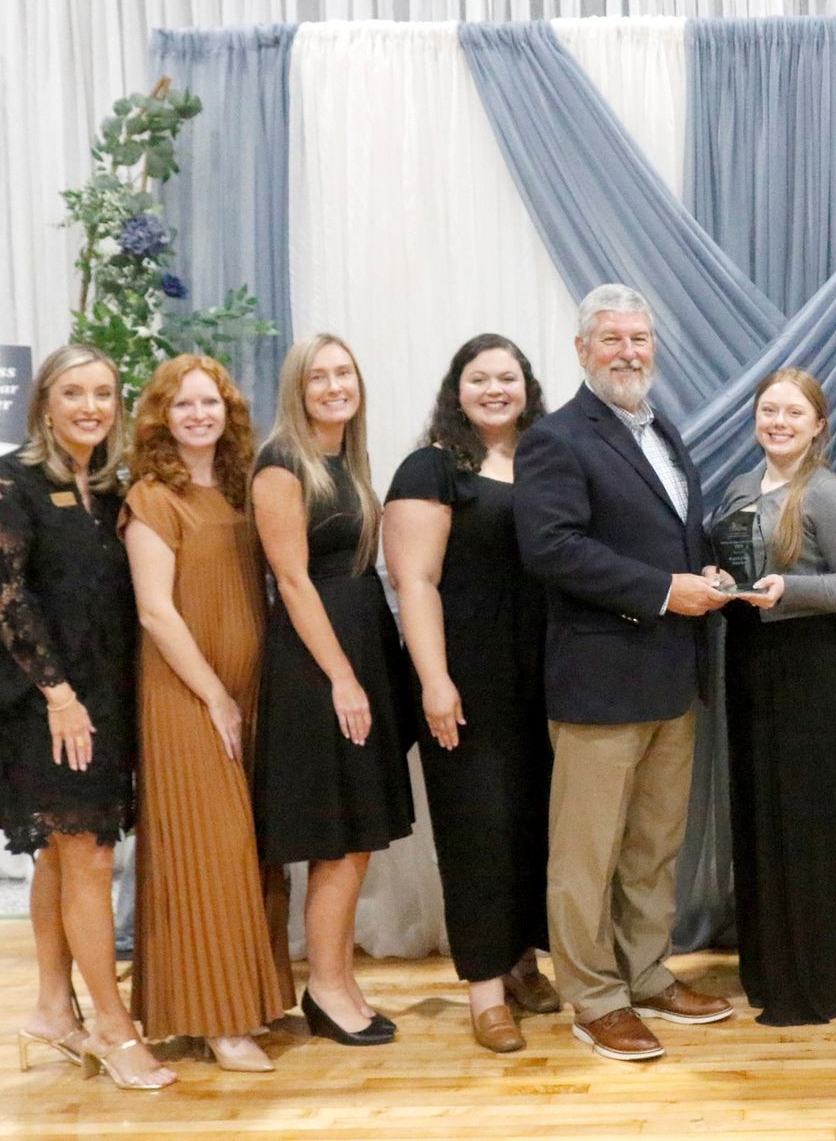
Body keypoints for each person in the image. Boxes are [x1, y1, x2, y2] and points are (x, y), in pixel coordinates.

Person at [512, 284, 735, 1062]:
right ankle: (594, 997)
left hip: (673, 677)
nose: (629, 352)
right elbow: (552, 549)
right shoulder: (558, 438)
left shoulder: (661, 430)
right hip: (600, 683)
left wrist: (702, 571)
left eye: (640, 339)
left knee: (653, 846)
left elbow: (662, 534)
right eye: (612, 339)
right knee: (586, 856)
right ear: (582, 351)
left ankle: (644, 972)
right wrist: (664, 590)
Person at [0, 344, 174, 1091]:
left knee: (62, 853)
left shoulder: (113, 490)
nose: (91, 407)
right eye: (74, 392)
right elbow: (6, 599)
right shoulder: (7, 482)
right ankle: (113, 1030)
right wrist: (58, 695)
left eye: (104, 394)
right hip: (43, 704)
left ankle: (53, 1009)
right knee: (90, 856)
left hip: (105, 697)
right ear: (45, 401)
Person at [384, 335, 561, 1056]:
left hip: (546, 676)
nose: (494, 389)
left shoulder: (548, 460)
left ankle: (522, 962)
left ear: (527, 387)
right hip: (466, 678)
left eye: (507, 378)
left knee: (533, 823)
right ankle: (485, 990)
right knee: (478, 829)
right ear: (457, 388)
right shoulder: (433, 466)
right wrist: (434, 678)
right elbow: (413, 581)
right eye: (479, 378)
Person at [122, 355, 292, 1073]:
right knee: (209, 853)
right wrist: (215, 695)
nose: (198, 415)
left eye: (211, 403)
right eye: (184, 404)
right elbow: (156, 611)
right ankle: (219, 1022)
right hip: (187, 696)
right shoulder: (152, 498)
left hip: (248, 694)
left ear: (229, 414)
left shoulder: (235, 488)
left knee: (252, 853)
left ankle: (243, 1003)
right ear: (162, 416)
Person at [251, 333, 415, 1047]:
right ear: (299, 388)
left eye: (343, 372)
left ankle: (339, 979)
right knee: (338, 838)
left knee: (357, 838)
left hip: (361, 643)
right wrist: (343, 676)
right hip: (319, 664)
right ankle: (324, 987)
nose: (333, 385)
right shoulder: (282, 464)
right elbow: (290, 581)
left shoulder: (344, 459)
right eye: (318, 376)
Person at [707, 368, 836, 1026]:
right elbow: (735, 568)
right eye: (769, 410)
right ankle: (768, 971)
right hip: (753, 665)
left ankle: (818, 981)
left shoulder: (832, 496)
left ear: (818, 425)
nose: (779, 422)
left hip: (819, 673)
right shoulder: (737, 491)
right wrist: (720, 579)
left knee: (814, 825)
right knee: (761, 817)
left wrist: (791, 588)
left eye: (793, 413)